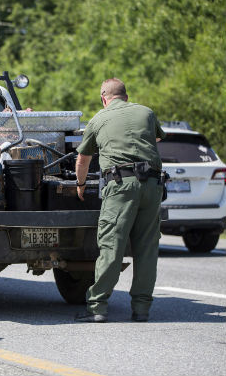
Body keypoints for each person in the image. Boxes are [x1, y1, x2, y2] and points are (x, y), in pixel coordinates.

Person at [74, 78, 165, 323]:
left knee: (112, 246)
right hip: (153, 185)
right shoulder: (146, 113)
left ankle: (98, 307)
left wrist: (81, 185)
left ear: (104, 98)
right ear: (126, 95)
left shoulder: (99, 118)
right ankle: (142, 309)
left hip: (121, 185)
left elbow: (83, 159)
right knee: (147, 249)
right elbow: (155, 139)